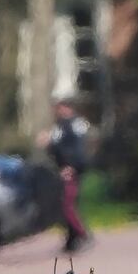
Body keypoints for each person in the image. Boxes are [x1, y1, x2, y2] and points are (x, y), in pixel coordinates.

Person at [44, 97, 92, 255]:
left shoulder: (70, 124)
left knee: (67, 204)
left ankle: (82, 233)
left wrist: (70, 165)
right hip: (68, 167)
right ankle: (71, 240)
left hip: (70, 168)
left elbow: (75, 148)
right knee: (67, 202)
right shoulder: (67, 124)